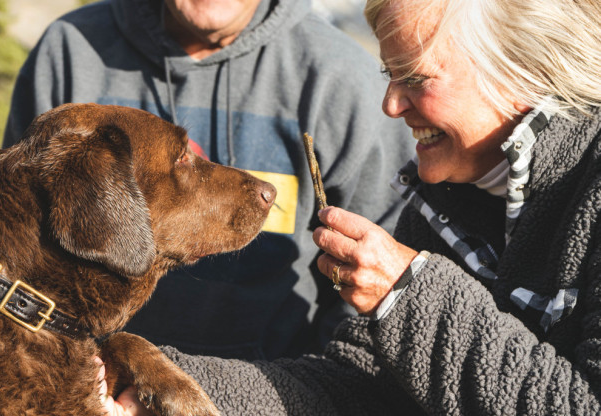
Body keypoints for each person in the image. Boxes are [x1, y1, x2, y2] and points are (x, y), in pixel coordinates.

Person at [102, 0, 601, 414]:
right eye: (390, 73)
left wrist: (409, 293)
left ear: (523, 66)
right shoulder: (442, 204)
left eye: (416, 77)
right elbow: (354, 392)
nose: (390, 104)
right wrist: (155, 389)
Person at [3, 0, 414, 360]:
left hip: (272, 393)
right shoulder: (72, 51)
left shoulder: (340, 78)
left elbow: (378, 285)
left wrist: (316, 395)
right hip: (92, 386)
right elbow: (16, 246)